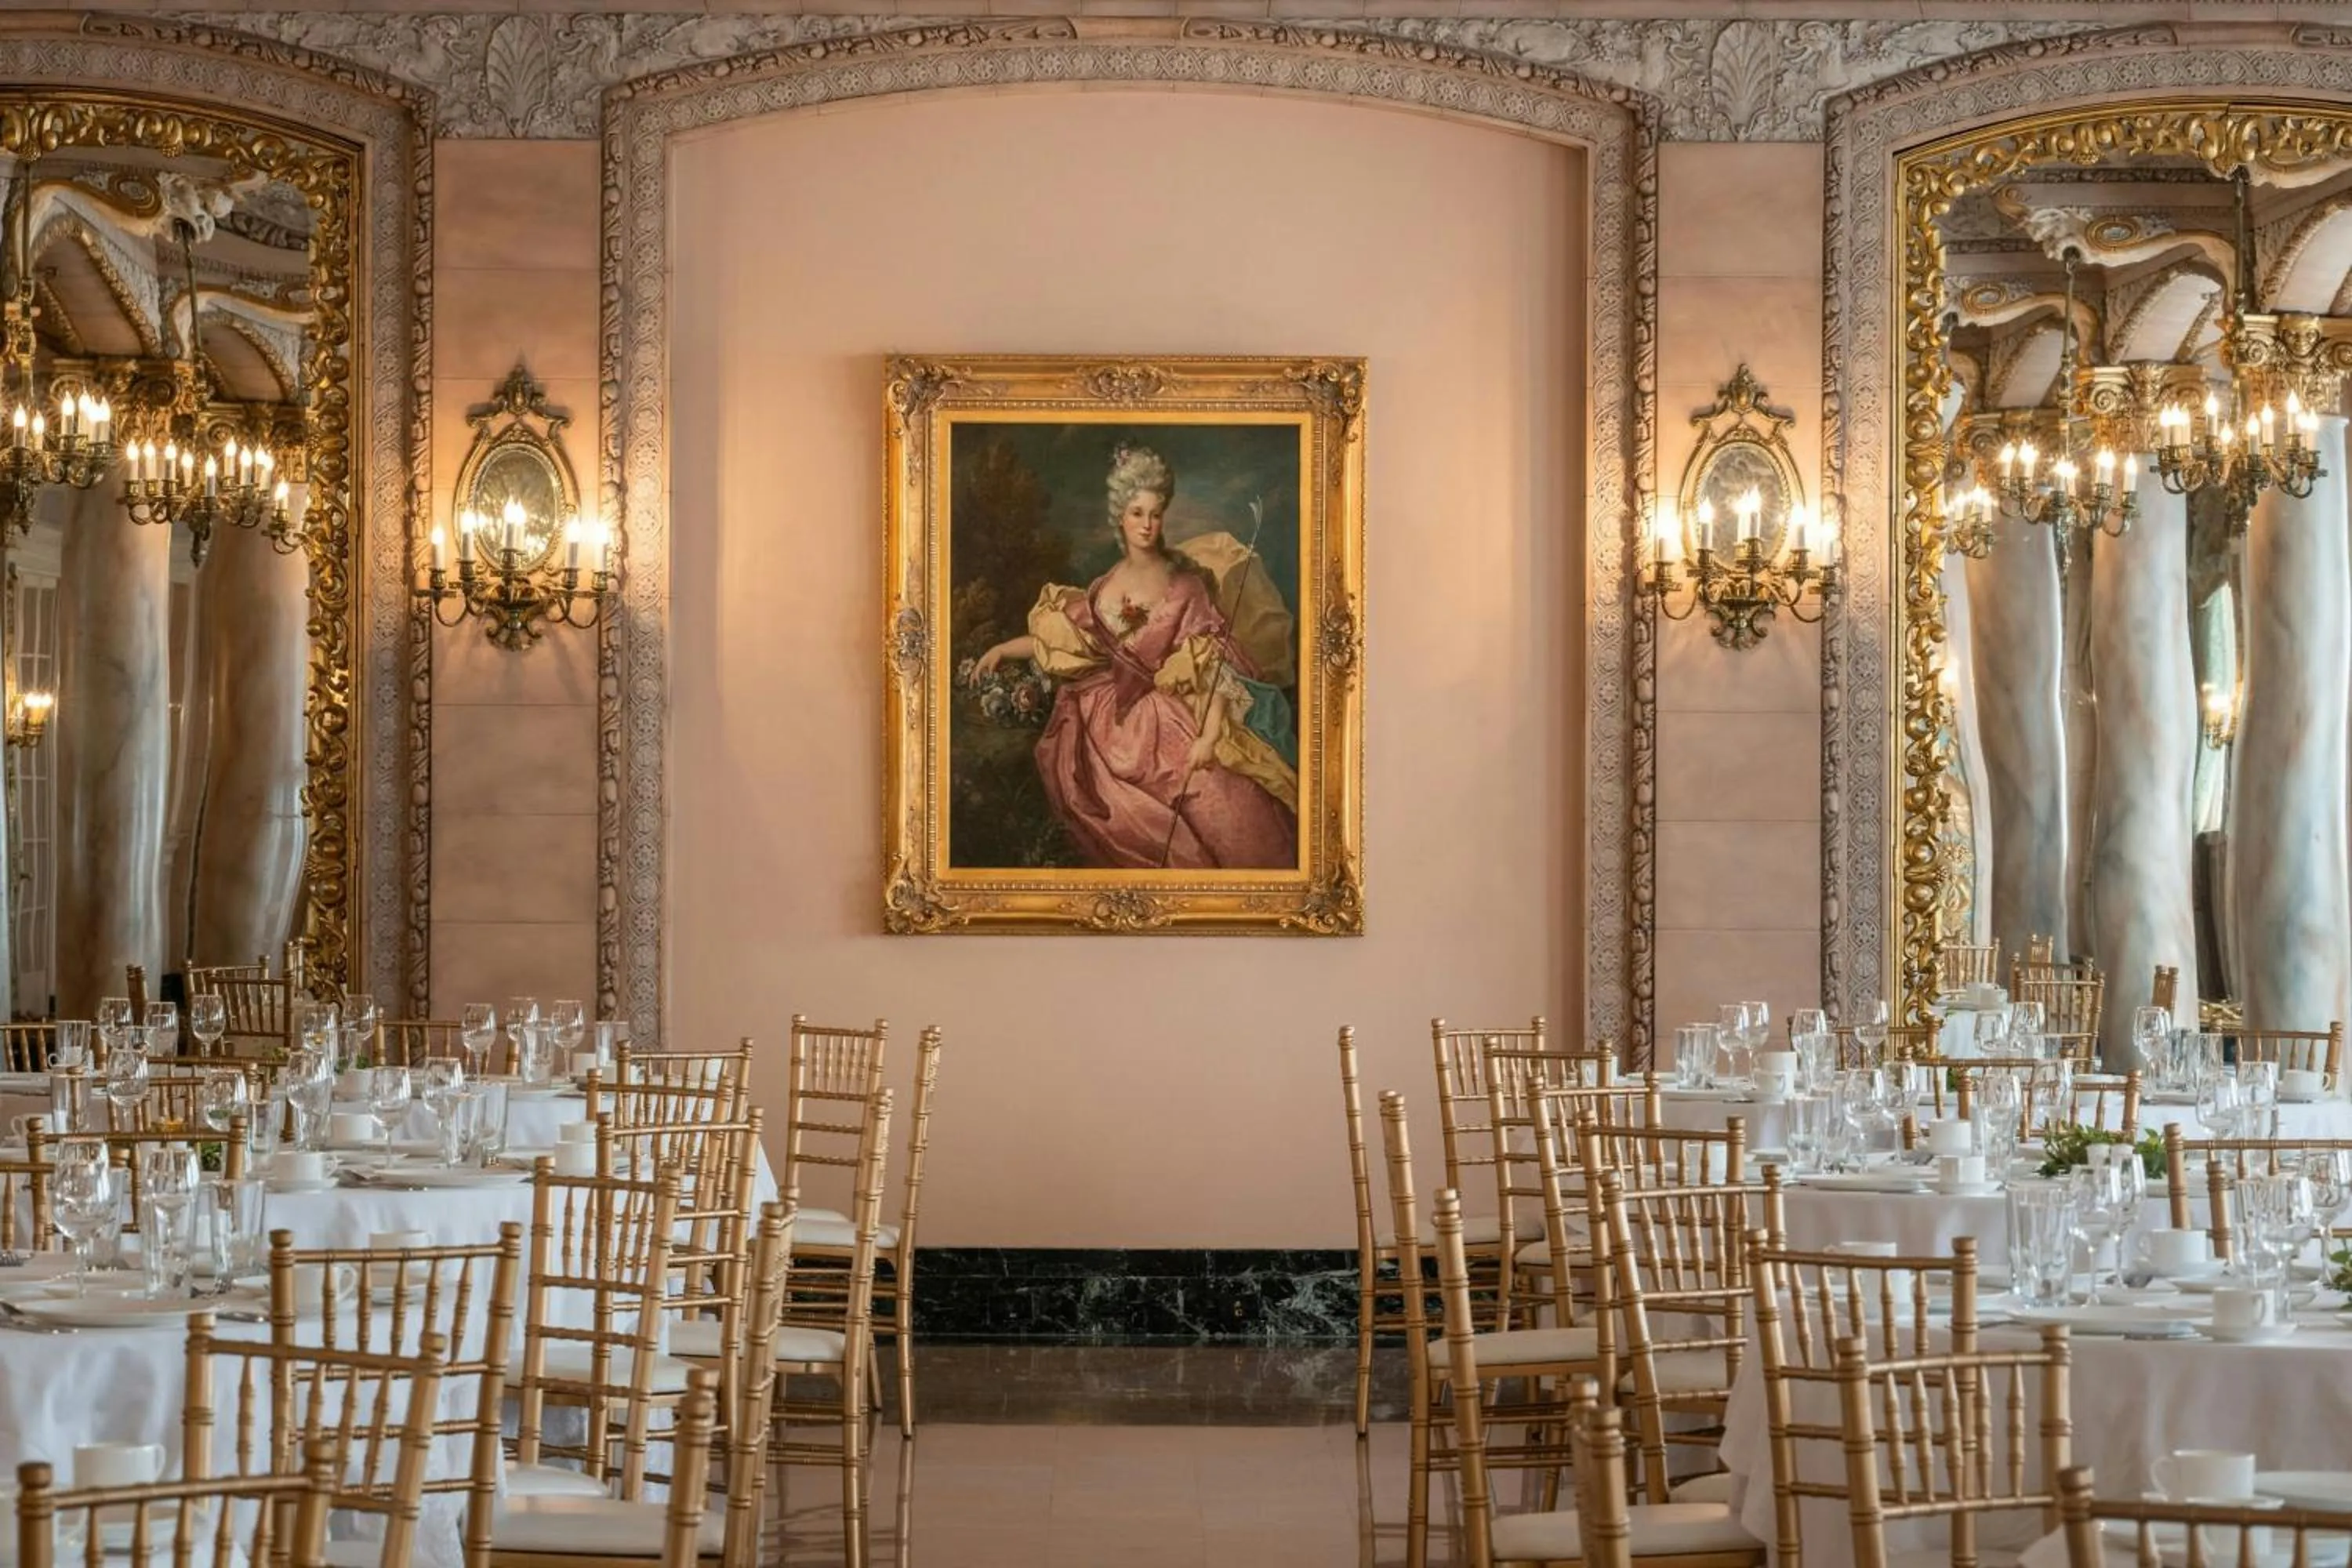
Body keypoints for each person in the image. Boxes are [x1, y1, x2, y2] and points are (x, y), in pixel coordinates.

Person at [970, 444, 1298, 869]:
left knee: (1227, 811)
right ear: (1120, 517)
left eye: (1155, 513)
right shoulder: (1106, 585)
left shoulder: (1185, 586)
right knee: (1133, 821)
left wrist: (1210, 736)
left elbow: (1211, 664)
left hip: (1173, 717)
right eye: (1137, 513)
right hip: (1108, 722)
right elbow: (1071, 640)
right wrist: (1001, 648)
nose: (1147, 524)